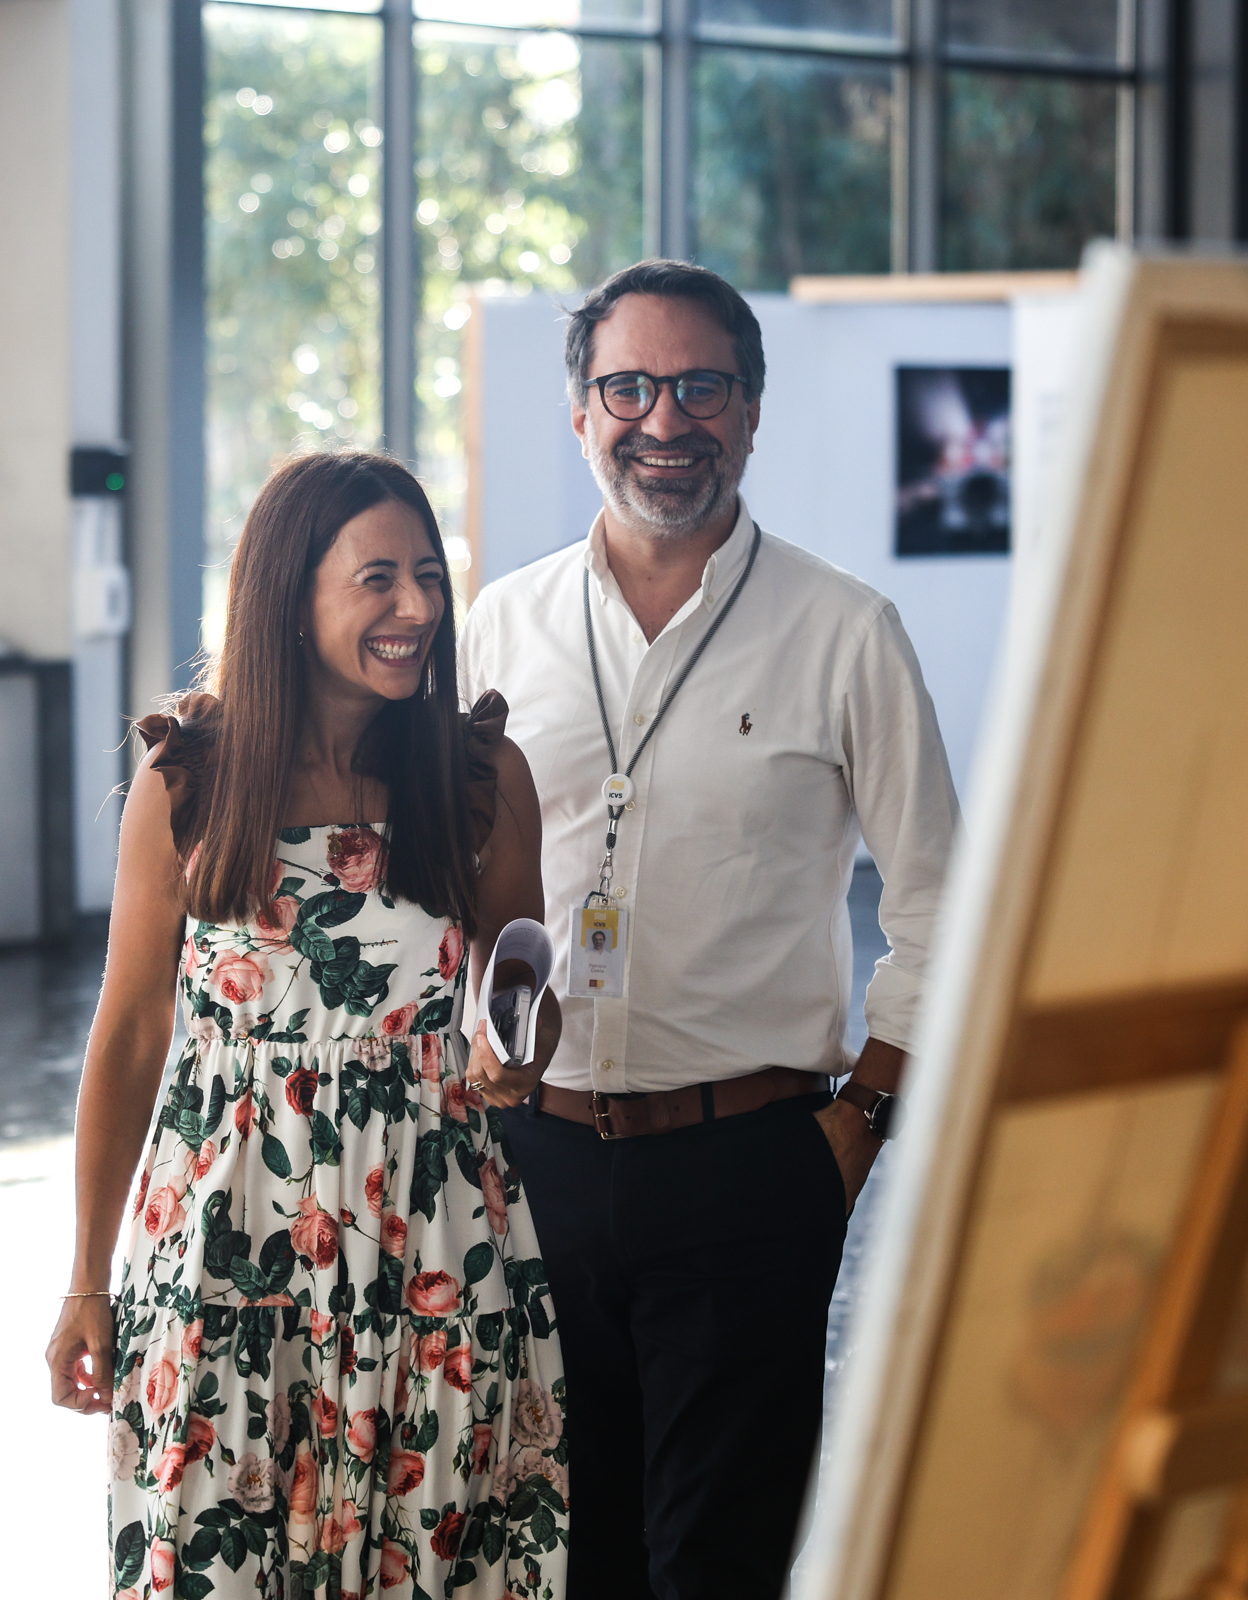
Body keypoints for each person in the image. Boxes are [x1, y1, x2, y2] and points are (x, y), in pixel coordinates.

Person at [459, 260, 959, 1600]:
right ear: (581, 415)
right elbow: (444, 885)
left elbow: (942, 909)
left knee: (718, 1562)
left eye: (699, 387)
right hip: (534, 1164)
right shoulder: (500, 624)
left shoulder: (847, 631)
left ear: (750, 412)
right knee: (555, 1553)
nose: (662, 418)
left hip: (751, 1163)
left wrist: (858, 1123)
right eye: (627, 386)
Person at [46, 452, 569, 1600]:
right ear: (288, 594)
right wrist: (87, 1278)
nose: (419, 608)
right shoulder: (193, 779)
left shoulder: (479, 776)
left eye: (430, 575)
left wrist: (514, 1048)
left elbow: (521, 986)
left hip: (431, 1244)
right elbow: (130, 1036)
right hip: (229, 1249)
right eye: (377, 578)